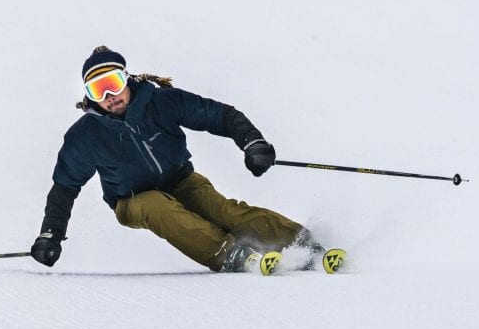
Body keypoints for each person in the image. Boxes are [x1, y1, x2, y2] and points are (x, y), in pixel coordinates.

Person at [31, 45, 320, 273]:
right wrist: (50, 235)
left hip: (181, 179)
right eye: (98, 89)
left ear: (127, 78)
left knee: (223, 212)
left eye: (113, 83)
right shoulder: (86, 135)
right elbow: (64, 188)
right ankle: (229, 254)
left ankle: (302, 245)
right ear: (89, 95)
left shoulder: (160, 102)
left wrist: (252, 142)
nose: (109, 95)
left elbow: (219, 115)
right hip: (131, 199)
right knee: (158, 207)